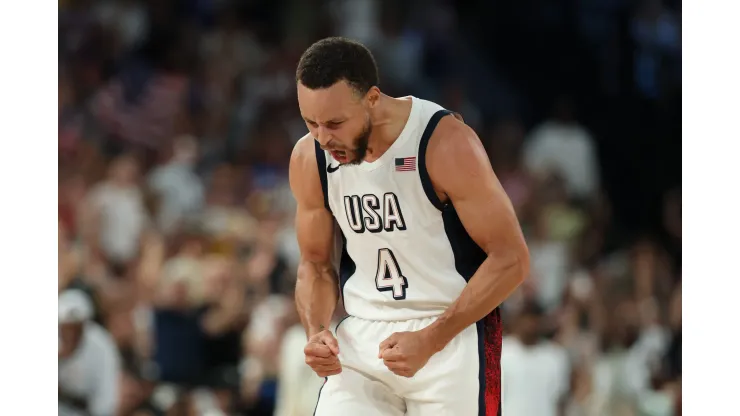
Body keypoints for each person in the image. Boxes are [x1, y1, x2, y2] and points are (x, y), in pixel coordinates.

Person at [289, 37, 530, 416]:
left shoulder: (443, 142)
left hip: (452, 333)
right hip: (363, 335)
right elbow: (315, 264)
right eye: (310, 122)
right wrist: (316, 331)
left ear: (371, 98)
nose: (322, 137)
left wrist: (432, 339)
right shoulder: (310, 157)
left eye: (334, 123)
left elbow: (512, 259)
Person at [58, 289, 121, 416]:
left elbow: (106, 399)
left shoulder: (102, 345)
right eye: (66, 327)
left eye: (76, 327)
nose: (70, 333)